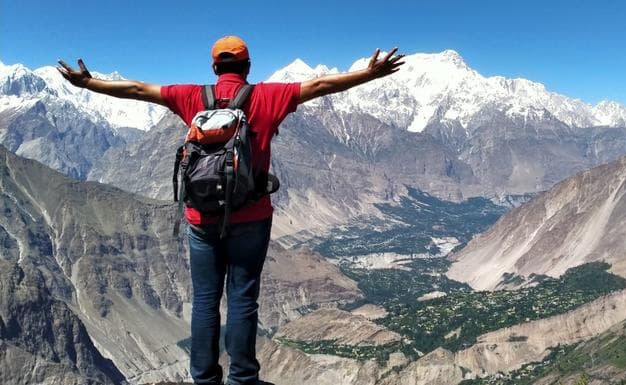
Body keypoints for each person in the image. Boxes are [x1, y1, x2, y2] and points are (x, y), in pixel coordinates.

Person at [57, 35, 405, 385]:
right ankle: (242, 379)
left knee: (206, 301)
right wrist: (369, 74)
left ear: (213, 67)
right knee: (242, 298)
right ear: (248, 67)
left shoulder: (192, 96)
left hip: (201, 220)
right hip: (251, 218)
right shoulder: (268, 96)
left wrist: (90, 84)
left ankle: (205, 379)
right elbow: (322, 84)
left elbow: (136, 89)